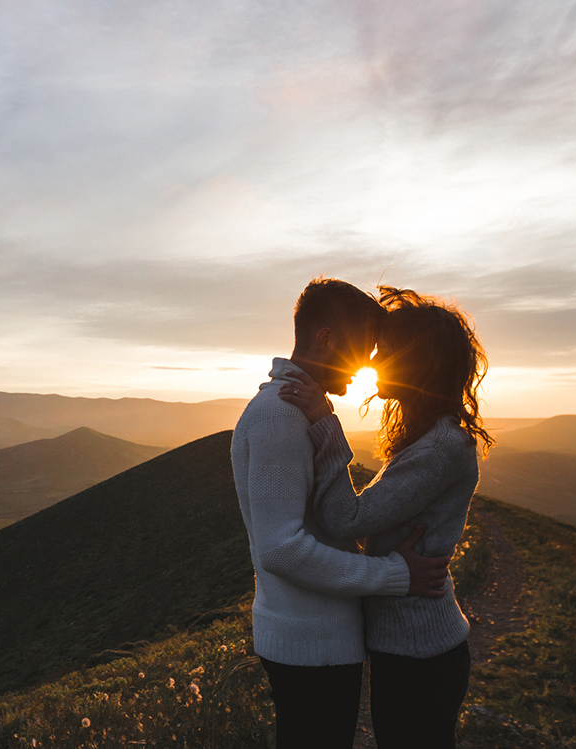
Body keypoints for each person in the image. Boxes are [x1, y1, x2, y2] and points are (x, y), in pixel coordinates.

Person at [231, 278, 451, 749]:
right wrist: (395, 576)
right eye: (363, 348)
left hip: (314, 643)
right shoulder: (282, 415)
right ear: (326, 339)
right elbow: (281, 549)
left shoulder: (297, 409)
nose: (368, 363)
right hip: (310, 648)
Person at [279, 286, 493, 749]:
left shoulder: (439, 449)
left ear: (418, 363)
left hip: (419, 651)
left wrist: (324, 422)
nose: (373, 359)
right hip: (411, 647)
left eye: (387, 351)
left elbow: (344, 517)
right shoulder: (428, 438)